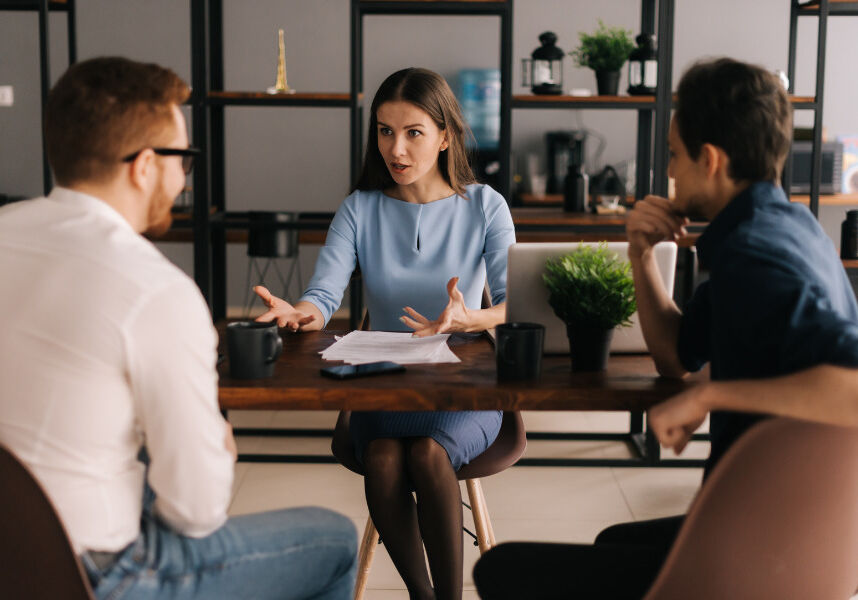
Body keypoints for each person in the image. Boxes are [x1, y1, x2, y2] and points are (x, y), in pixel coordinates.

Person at [472, 57, 858, 599]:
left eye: (674, 155)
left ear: (711, 159)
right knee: (613, 542)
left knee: (500, 569)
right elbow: (675, 356)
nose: (670, 171)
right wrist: (641, 254)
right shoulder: (785, 229)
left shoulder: (756, 254)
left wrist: (710, 396)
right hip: (798, 539)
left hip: (756, 555)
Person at [0, 57, 356, 600]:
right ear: (144, 166)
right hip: (91, 576)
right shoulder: (154, 290)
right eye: (183, 158)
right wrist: (217, 448)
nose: (184, 176)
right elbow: (196, 514)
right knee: (335, 540)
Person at [254, 67, 516, 600]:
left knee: (427, 454)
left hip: (462, 388)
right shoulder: (360, 208)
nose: (396, 148)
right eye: (385, 131)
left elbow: (519, 305)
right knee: (382, 456)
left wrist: (471, 319)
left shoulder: (486, 206)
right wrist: (300, 313)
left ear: (445, 136)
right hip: (382, 384)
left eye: (413, 132)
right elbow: (323, 295)